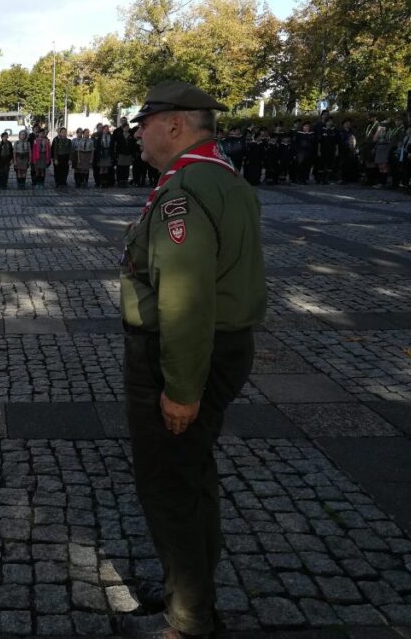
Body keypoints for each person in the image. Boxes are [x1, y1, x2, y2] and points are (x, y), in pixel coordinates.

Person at [120, 81, 265, 639]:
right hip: (221, 346)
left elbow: (184, 298)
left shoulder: (185, 190)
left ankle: (188, 621)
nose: (136, 133)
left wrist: (181, 387)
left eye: (145, 121)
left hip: (181, 352)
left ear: (175, 125)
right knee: (193, 473)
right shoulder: (218, 175)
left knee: (170, 484)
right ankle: (190, 590)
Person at [114, 118, 135, 187]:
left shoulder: (131, 135)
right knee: (120, 168)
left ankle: (125, 181)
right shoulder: (119, 135)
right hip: (121, 153)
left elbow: (132, 145)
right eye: (125, 127)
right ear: (123, 128)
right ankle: (120, 181)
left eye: (128, 127)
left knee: (126, 168)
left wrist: (132, 154)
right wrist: (116, 155)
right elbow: (117, 145)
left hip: (128, 154)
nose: (127, 128)